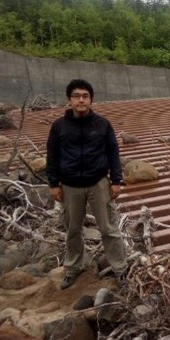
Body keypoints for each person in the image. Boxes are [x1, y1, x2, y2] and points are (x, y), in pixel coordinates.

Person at [45, 79, 127, 289]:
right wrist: (54, 183)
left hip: (98, 183)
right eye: (76, 96)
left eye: (85, 96)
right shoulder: (59, 127)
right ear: (69, 100)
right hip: (70, 186)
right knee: (72, 230)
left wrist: (116, 180)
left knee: (108, 229)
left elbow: (113, 152)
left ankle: (121, 269)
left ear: (91, 100)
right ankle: (73, 268)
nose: (81, 100)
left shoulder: (102, 124)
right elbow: (52, 156)